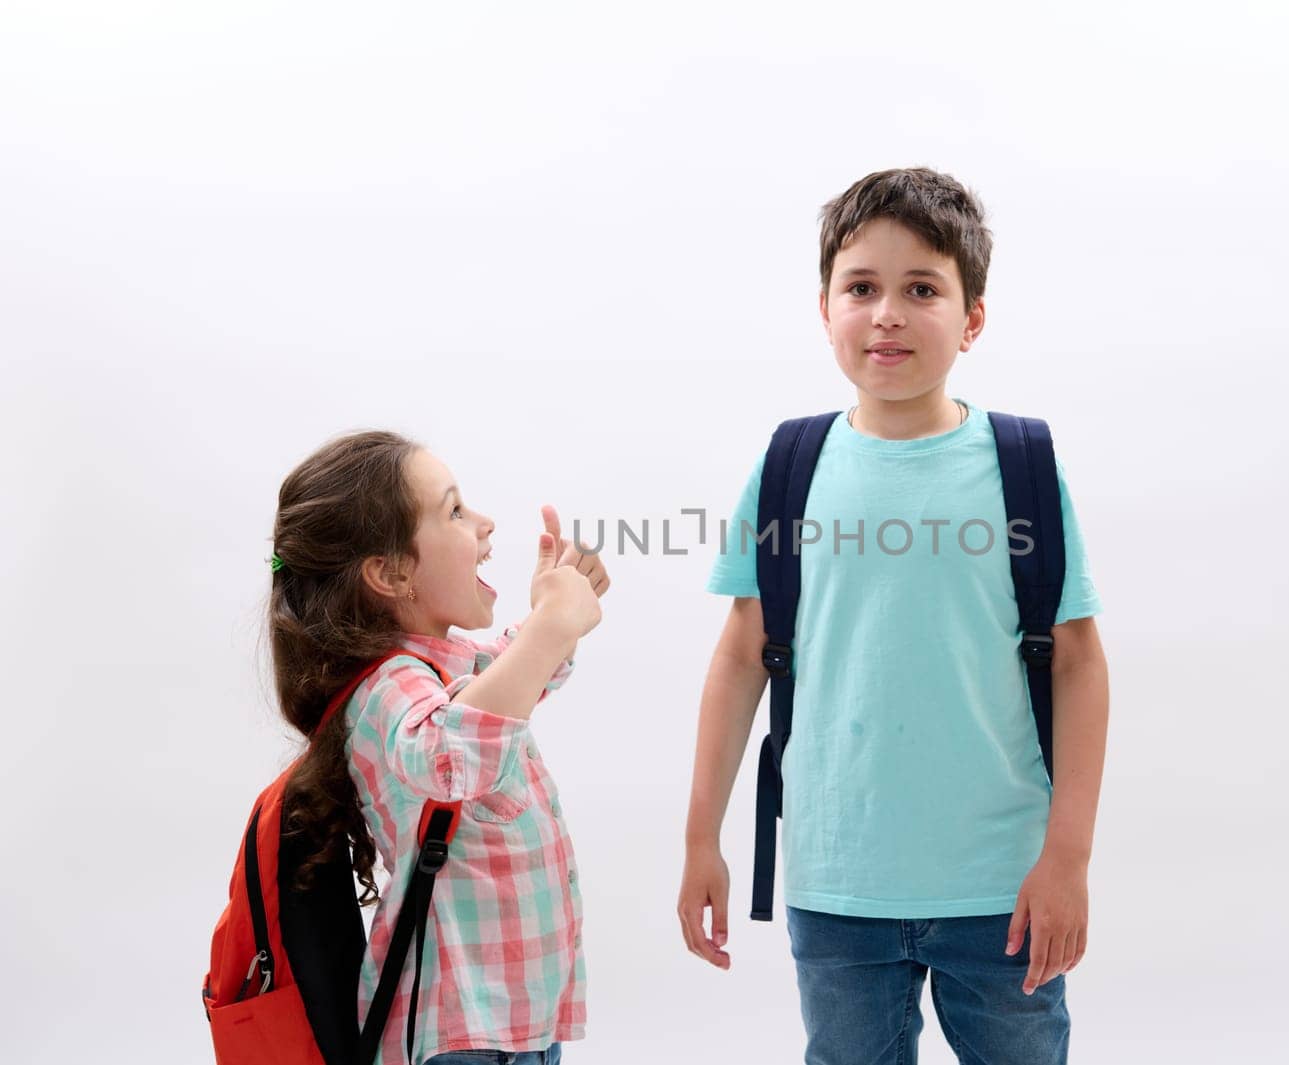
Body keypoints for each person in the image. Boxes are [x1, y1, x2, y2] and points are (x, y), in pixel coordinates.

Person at [677, 168, 1111, 1063]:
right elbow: (742, 656)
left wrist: (1066, 856)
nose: (887, 313)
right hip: (838, 882)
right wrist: (700, 837)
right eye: (862, 288)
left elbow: (1078, 662)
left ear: (972, 317)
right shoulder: (789, 465)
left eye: (922, 289)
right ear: (826, 306)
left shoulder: (1022, 464)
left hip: (1003, 885)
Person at [269, 429, 606, 1065]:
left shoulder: (441, 667)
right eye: (454, 510)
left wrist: (548, 614)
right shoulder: (387, 686)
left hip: (513, 1020)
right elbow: (453, 759)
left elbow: (520, 680)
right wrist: (552, 626)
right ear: (390, 572)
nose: (484, 523)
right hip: (460, 1029)